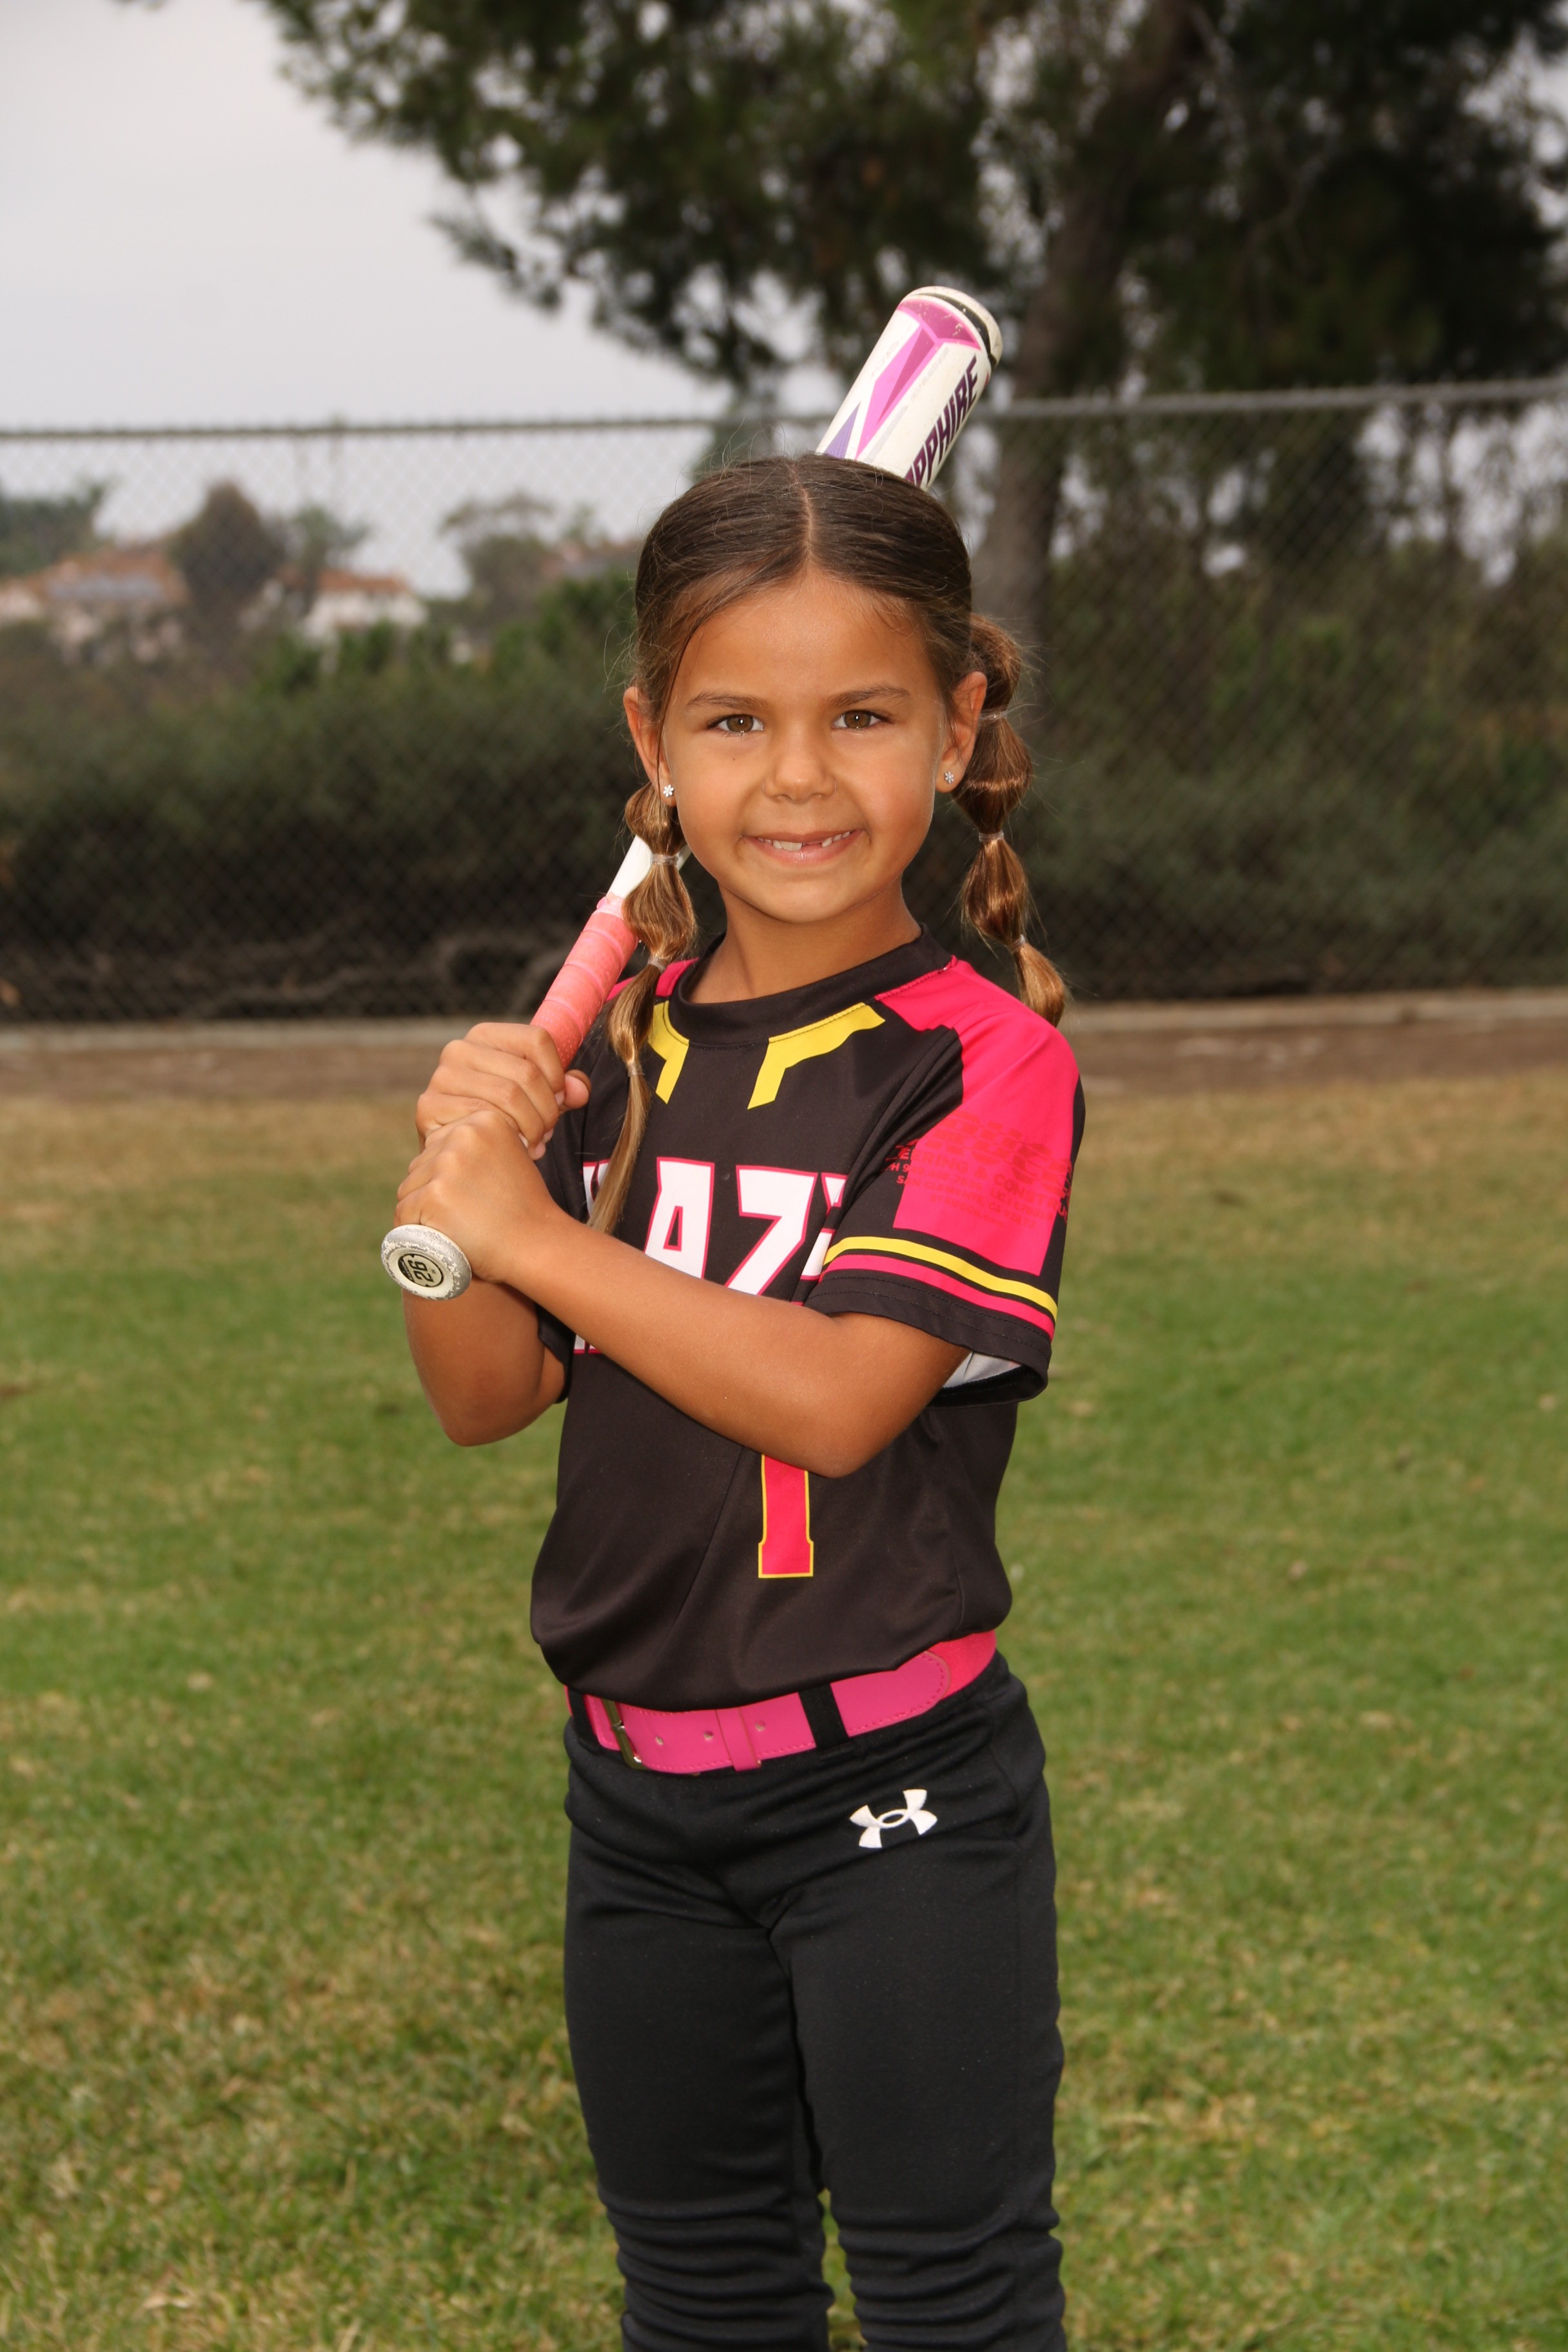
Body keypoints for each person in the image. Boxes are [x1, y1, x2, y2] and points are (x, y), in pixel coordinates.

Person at [395, 454, 1085, 2352]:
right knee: (699, 2296)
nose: (797, 778)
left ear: (956, 729)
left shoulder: (983, 1065)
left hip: (896, 1798)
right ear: (653, 741)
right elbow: (484, 1397)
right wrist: (459, 1194)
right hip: (633, 1798)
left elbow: (845, 1399)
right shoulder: (621, 1043)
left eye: (860, 715)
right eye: (732, 722)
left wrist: (541, 1238)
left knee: (951, 2299)